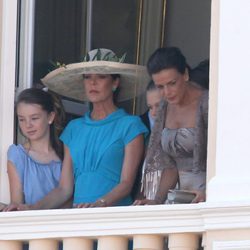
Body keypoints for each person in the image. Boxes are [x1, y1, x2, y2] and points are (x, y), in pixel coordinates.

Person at [7, 48, 149, 210]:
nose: (93, 83)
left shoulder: (130, 125)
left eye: (101, 77)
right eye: (87, 77)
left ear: (115, 83)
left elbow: (126, 184)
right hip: (79, 220)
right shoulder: (74, 128)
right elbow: (64, 189)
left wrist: (99, 204)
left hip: (113, 219)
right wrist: (32, 208)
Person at [134, 47, 208, 205]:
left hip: (207, 198)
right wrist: (156, 200)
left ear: (186, 75)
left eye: (172, 83)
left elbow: (226, 156)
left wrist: (209, 192)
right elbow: (171, 166)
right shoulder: (164, 108)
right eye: (160, 87)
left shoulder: (207, 103)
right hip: (179, 197)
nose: (167, 92)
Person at [1, 88, 66, 212]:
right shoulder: (17, 155)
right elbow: (17, 203)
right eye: (22, 119)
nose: (28, 125)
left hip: (66, 227)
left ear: (50, 117)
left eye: (34, 118)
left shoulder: (65, 152)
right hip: (33, 227)